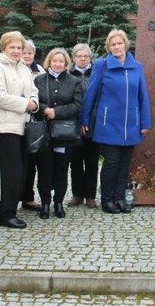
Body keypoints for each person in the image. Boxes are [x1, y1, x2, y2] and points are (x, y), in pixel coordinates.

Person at [79, 29, 151, 214]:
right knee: (111, 162)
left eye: (119, 43)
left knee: (125, 163)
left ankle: (119, 198)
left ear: (125, 44)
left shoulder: (137, 67)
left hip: (131, 124)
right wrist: (84, 118)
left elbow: (143, 96)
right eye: (113, 44)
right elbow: (91, 94)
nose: (117, 47)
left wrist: (145, 122)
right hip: (108, 123)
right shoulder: (102, 65)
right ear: (108, 47)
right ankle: (107, 200)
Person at [0, 31, 39, 228]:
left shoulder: (24, 69)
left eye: (19, 48)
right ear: (4, 48)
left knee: (22, 171)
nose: (17, 51)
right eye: (13, 47)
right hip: (5, 126)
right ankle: (6, 214)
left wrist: (33, 101)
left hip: (23, 125)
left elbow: (33, 90)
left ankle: (10, 209)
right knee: (12, 171)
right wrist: (25, 103)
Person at [33, 48, 84, 218]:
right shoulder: (39, 80)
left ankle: (58, 202)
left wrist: (57, 112)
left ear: (66, 63)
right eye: (54, 61)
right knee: (44, 170)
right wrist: (44, 109)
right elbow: (33, 100)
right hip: (44, 133)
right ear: (49, 61)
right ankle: (45, 203)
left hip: (64, 134)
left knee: (62, 170)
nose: (57, 64)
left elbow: (77, 105)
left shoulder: (74, 81)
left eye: (61, 61)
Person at [67, 43, 100, 209]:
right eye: (79, 56)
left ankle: (90, 196)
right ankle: (77, 194)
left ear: (90, 58)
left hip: (94, 124)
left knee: (92, 161)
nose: (82, 59)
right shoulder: (68, 75)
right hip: (73, 125)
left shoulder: (96, 73)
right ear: (73, 58)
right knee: (76, 162)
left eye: (86, 56)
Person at [21, 39, 47, 213]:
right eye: (24, 53)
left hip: (36, 123)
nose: (26, 56)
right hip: (17, 122)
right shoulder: (14, 70)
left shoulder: (41, 72)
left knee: (33, 163)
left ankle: (29, 199)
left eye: (29, 53)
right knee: (21, 164)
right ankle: (18, 196)